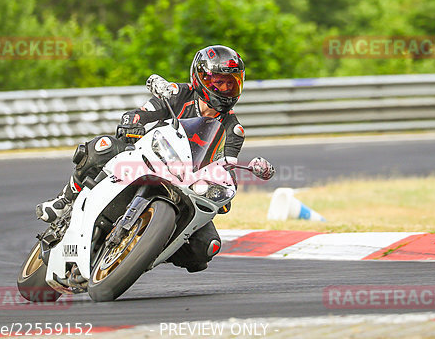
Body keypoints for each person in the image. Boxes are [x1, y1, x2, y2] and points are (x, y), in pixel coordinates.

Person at [35, 44, 274, 273]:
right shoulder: (178, 93)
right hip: (144, 158)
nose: (224, 89)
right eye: (218, 82)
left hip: (185, 183)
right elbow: (143, 112)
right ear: (201, 78)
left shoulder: (233, 130)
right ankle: (65, 200)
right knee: (101, 146)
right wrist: (133, 122)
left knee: (207, 247)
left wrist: (223, 191)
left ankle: (147, 247)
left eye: (230, 84)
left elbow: (225, 164)